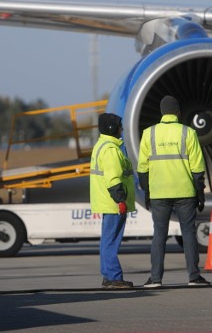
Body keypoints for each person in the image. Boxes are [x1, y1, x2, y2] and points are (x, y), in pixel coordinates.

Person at [137, 95, 209, 287]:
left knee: (159, 234)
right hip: (185, 191)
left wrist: (146, 191)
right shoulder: (188, 133)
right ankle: (194, 277)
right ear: (178, 112)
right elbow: (197, 166)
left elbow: (142, 168)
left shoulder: (149, 134)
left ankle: (155, 278)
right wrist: (200, 192)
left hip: (159, 192)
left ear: (162, 112)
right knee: (188, 233)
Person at [90, 113, 136, 289]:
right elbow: (113, 179)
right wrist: (121, 200)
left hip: (107, 202)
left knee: (107, 240)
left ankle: (108, 276)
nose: (122, 129)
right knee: (111, 241)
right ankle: (114, 277)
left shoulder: (101, 145)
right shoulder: (111, 149)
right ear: (112, 128)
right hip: (113, 203)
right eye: (119, 126)